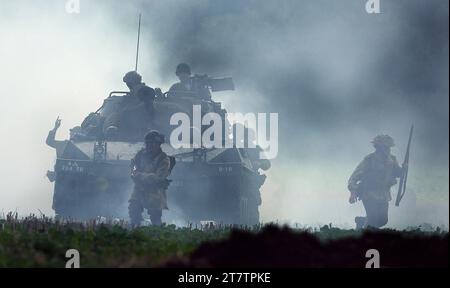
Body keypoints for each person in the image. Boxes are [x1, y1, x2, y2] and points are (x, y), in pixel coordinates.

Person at [348, 134, 405, 229]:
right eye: (385, 147)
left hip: (383, 194)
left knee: (383, 220)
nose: (388, 150)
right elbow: (354, 177)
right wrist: (352, 192)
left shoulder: (392, 160)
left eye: (389, 147)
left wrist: (403, 169)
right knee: (373, 220)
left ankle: (361, 221)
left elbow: (397, 173)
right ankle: (364, 237)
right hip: (368, 193)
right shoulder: (369, 160)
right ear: (378, 148)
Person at [128, 131, 173, 226]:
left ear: (158, 144)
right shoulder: (140, 154)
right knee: (133, 210)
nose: (150, 145)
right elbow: (133, 167)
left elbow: (158, 177)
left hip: (155, 191)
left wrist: (139, 175)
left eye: (153, 143)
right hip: (139, 189)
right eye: (148, 143)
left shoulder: (164, 159)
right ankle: (135, 231)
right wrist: (134, 172)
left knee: (155, 217)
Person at [103, 71, 156, 140]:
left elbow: (147, 103)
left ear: (132, 81)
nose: (127, 84)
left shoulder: (143, 89)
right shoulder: (137, 89)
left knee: (117, 115)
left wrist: (127, 109)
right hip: (138, 115)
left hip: (141, 115)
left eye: (128, 82)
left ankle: (112, 132)